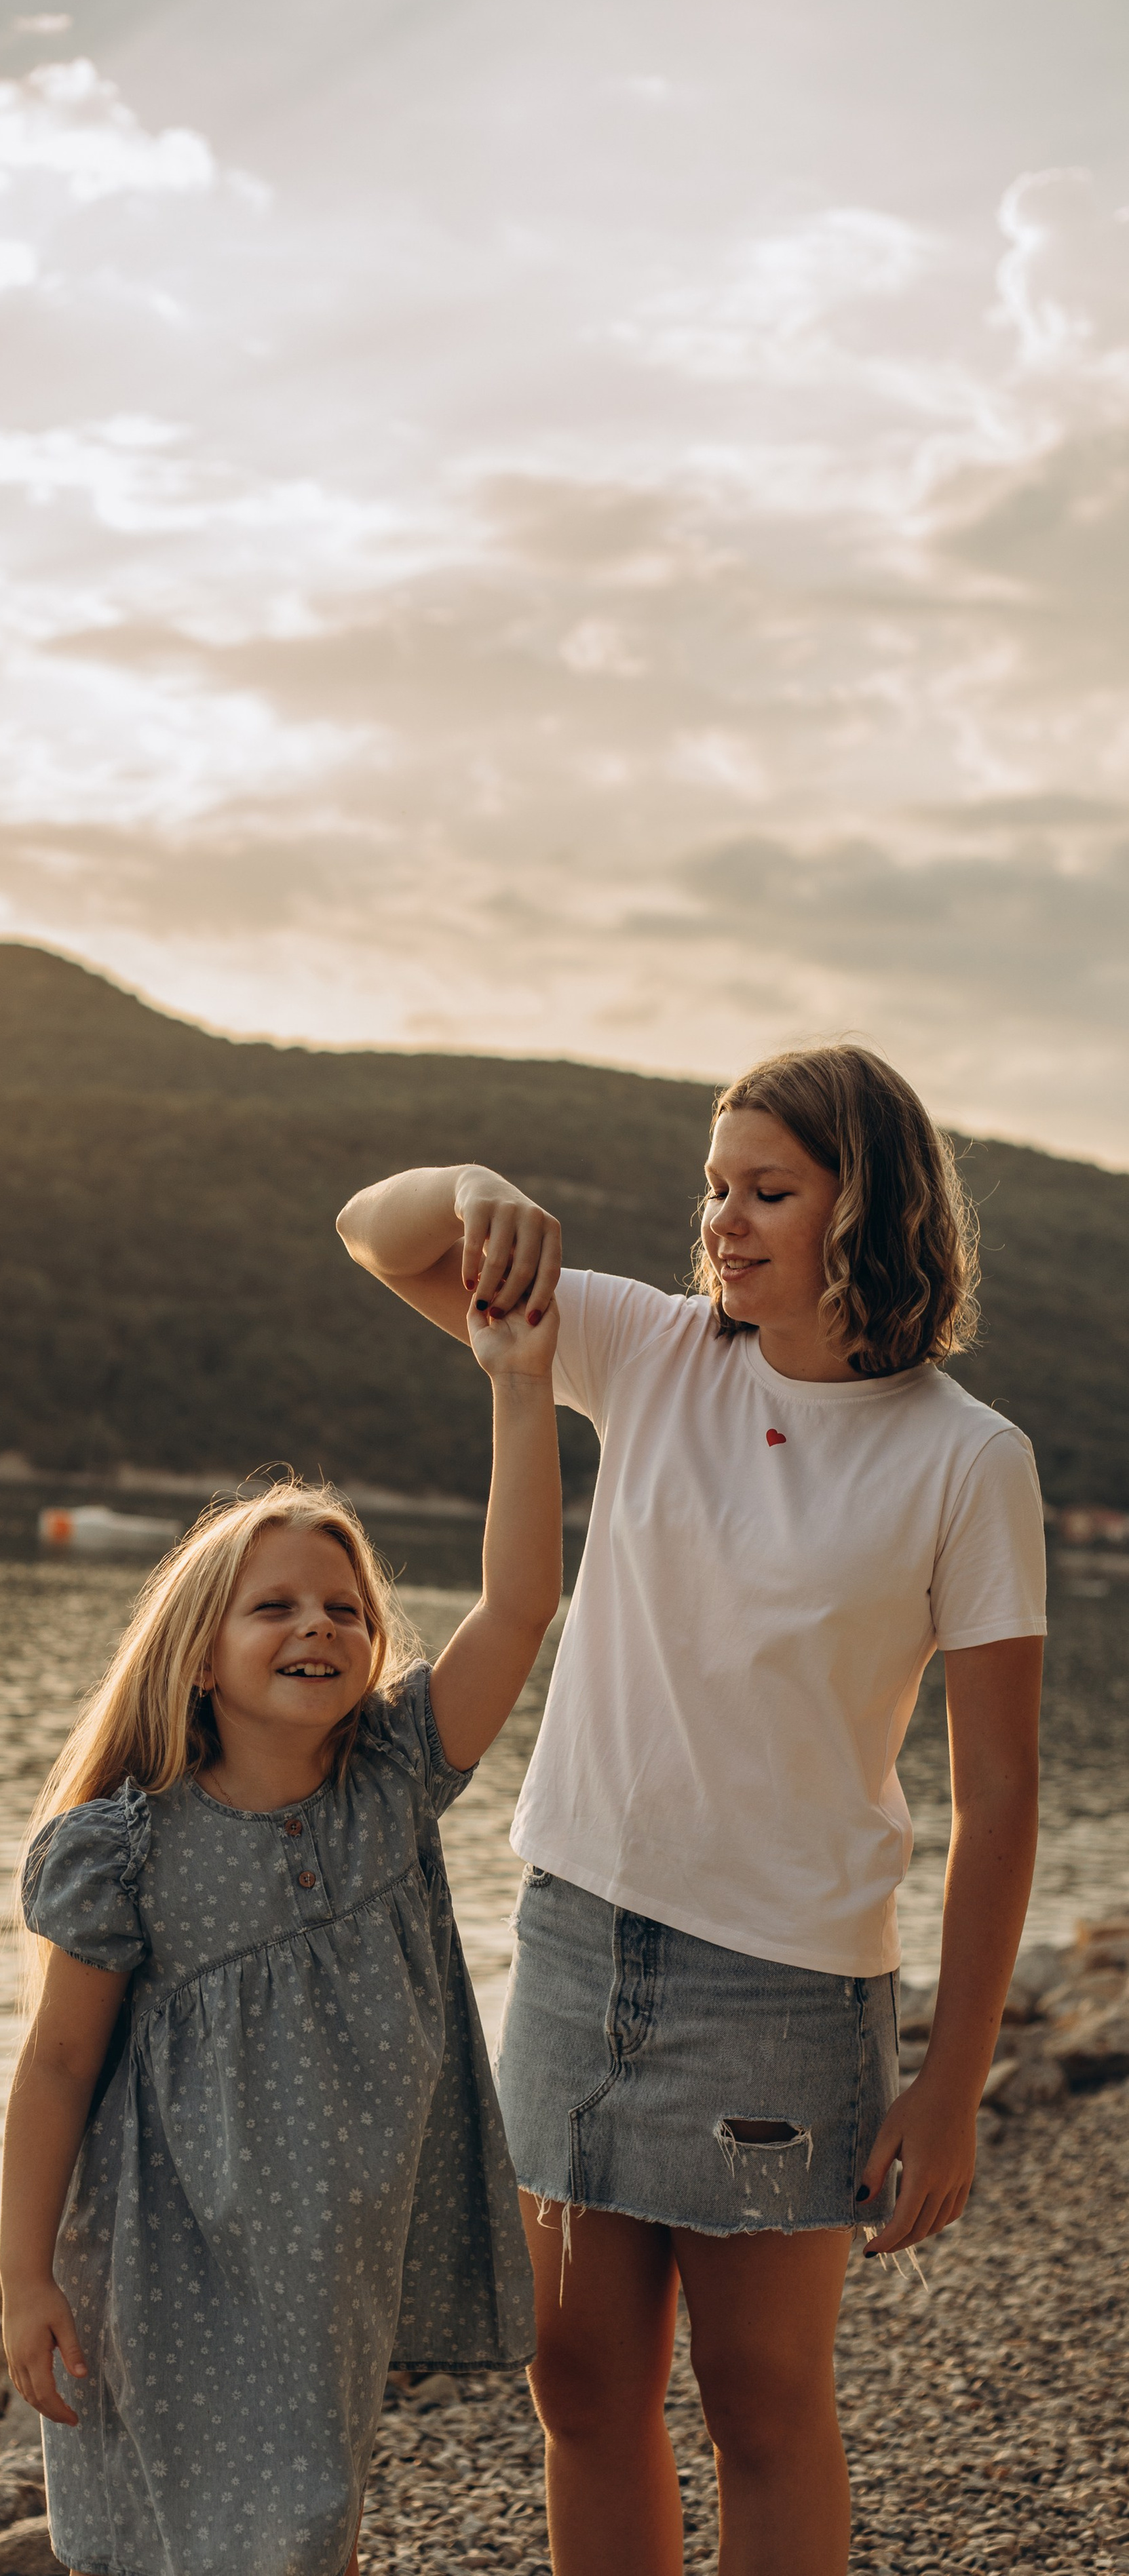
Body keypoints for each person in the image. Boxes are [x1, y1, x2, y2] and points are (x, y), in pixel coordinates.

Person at [334, 1045, 1046, 2576]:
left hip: (781, 1985)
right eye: (713, 1186)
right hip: (579, 1936)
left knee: (762, 2406)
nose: (722, 1221)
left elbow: (997, 1795)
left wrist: (952, 2084)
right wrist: (470, 1191)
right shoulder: (650, 1350)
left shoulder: (967, 1462)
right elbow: (374, 1233)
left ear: (868, 1207)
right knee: (579, 2382)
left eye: (766, 1191)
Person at [0, 1279, 561, 2576]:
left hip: (328, 2260)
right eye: (276, 1607)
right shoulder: (126, 1850)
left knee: (309, 2519)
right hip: (167, 2254)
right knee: (228, 2531)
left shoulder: (394, 1780)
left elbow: (520, 1606)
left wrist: (519, 1391)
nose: (320, 1624)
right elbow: (60, 2066)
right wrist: (26, 2278)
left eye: (346, 1609)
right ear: (200, 1653)